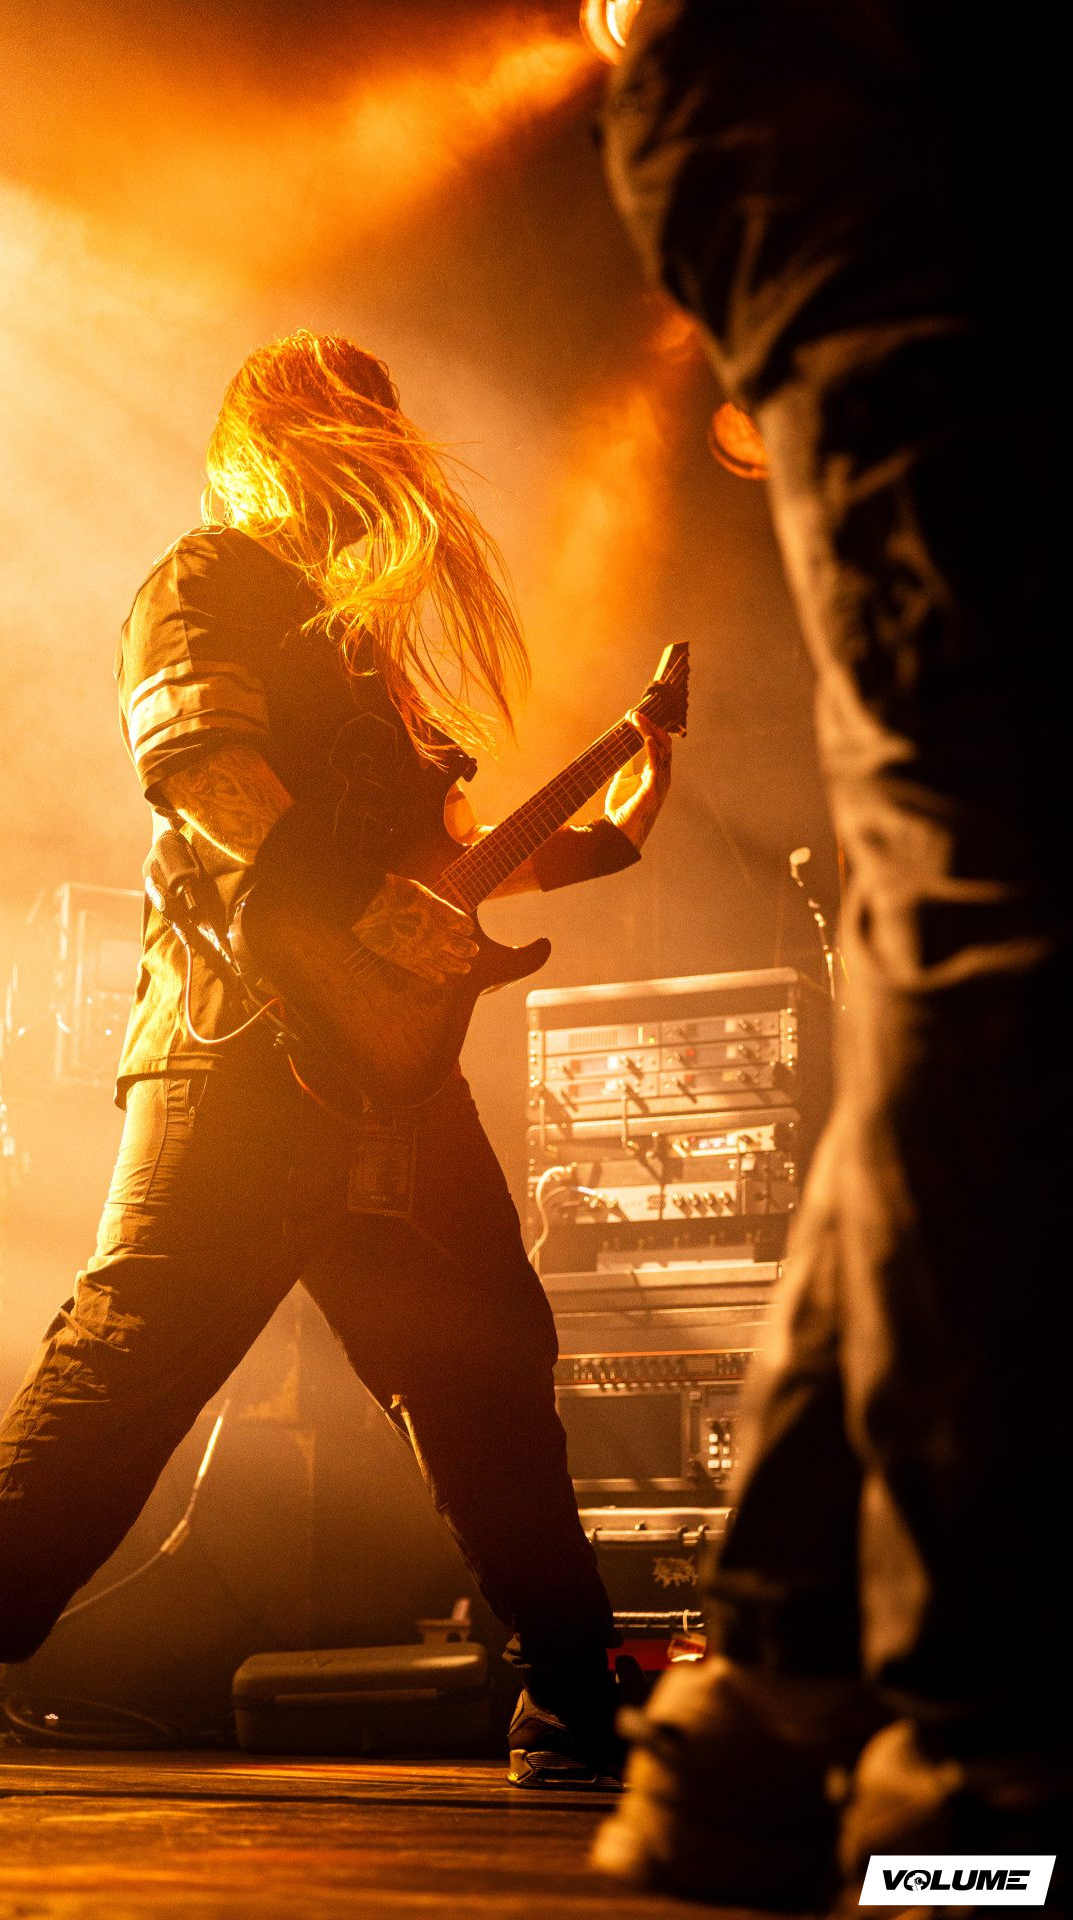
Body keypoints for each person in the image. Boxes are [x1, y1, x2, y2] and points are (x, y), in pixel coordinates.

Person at [0, 329, 673, 1799]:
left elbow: (437, 877)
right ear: (278, 441)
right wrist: (365, 917)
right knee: (129, 1358)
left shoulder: (362, 654)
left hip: (392, 1072)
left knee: (487, 1366)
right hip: (232, 1048)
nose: (382, 453)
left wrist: (604, 837)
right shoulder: (205, 579)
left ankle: (569, 1695)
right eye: (350, 424)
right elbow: (202, 776)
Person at [590, 1, 1070, 1907]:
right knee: (1003, 891)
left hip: (865, 93)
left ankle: (778, 1700)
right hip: (861, 83)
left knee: (977, 899)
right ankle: (974, 1762)